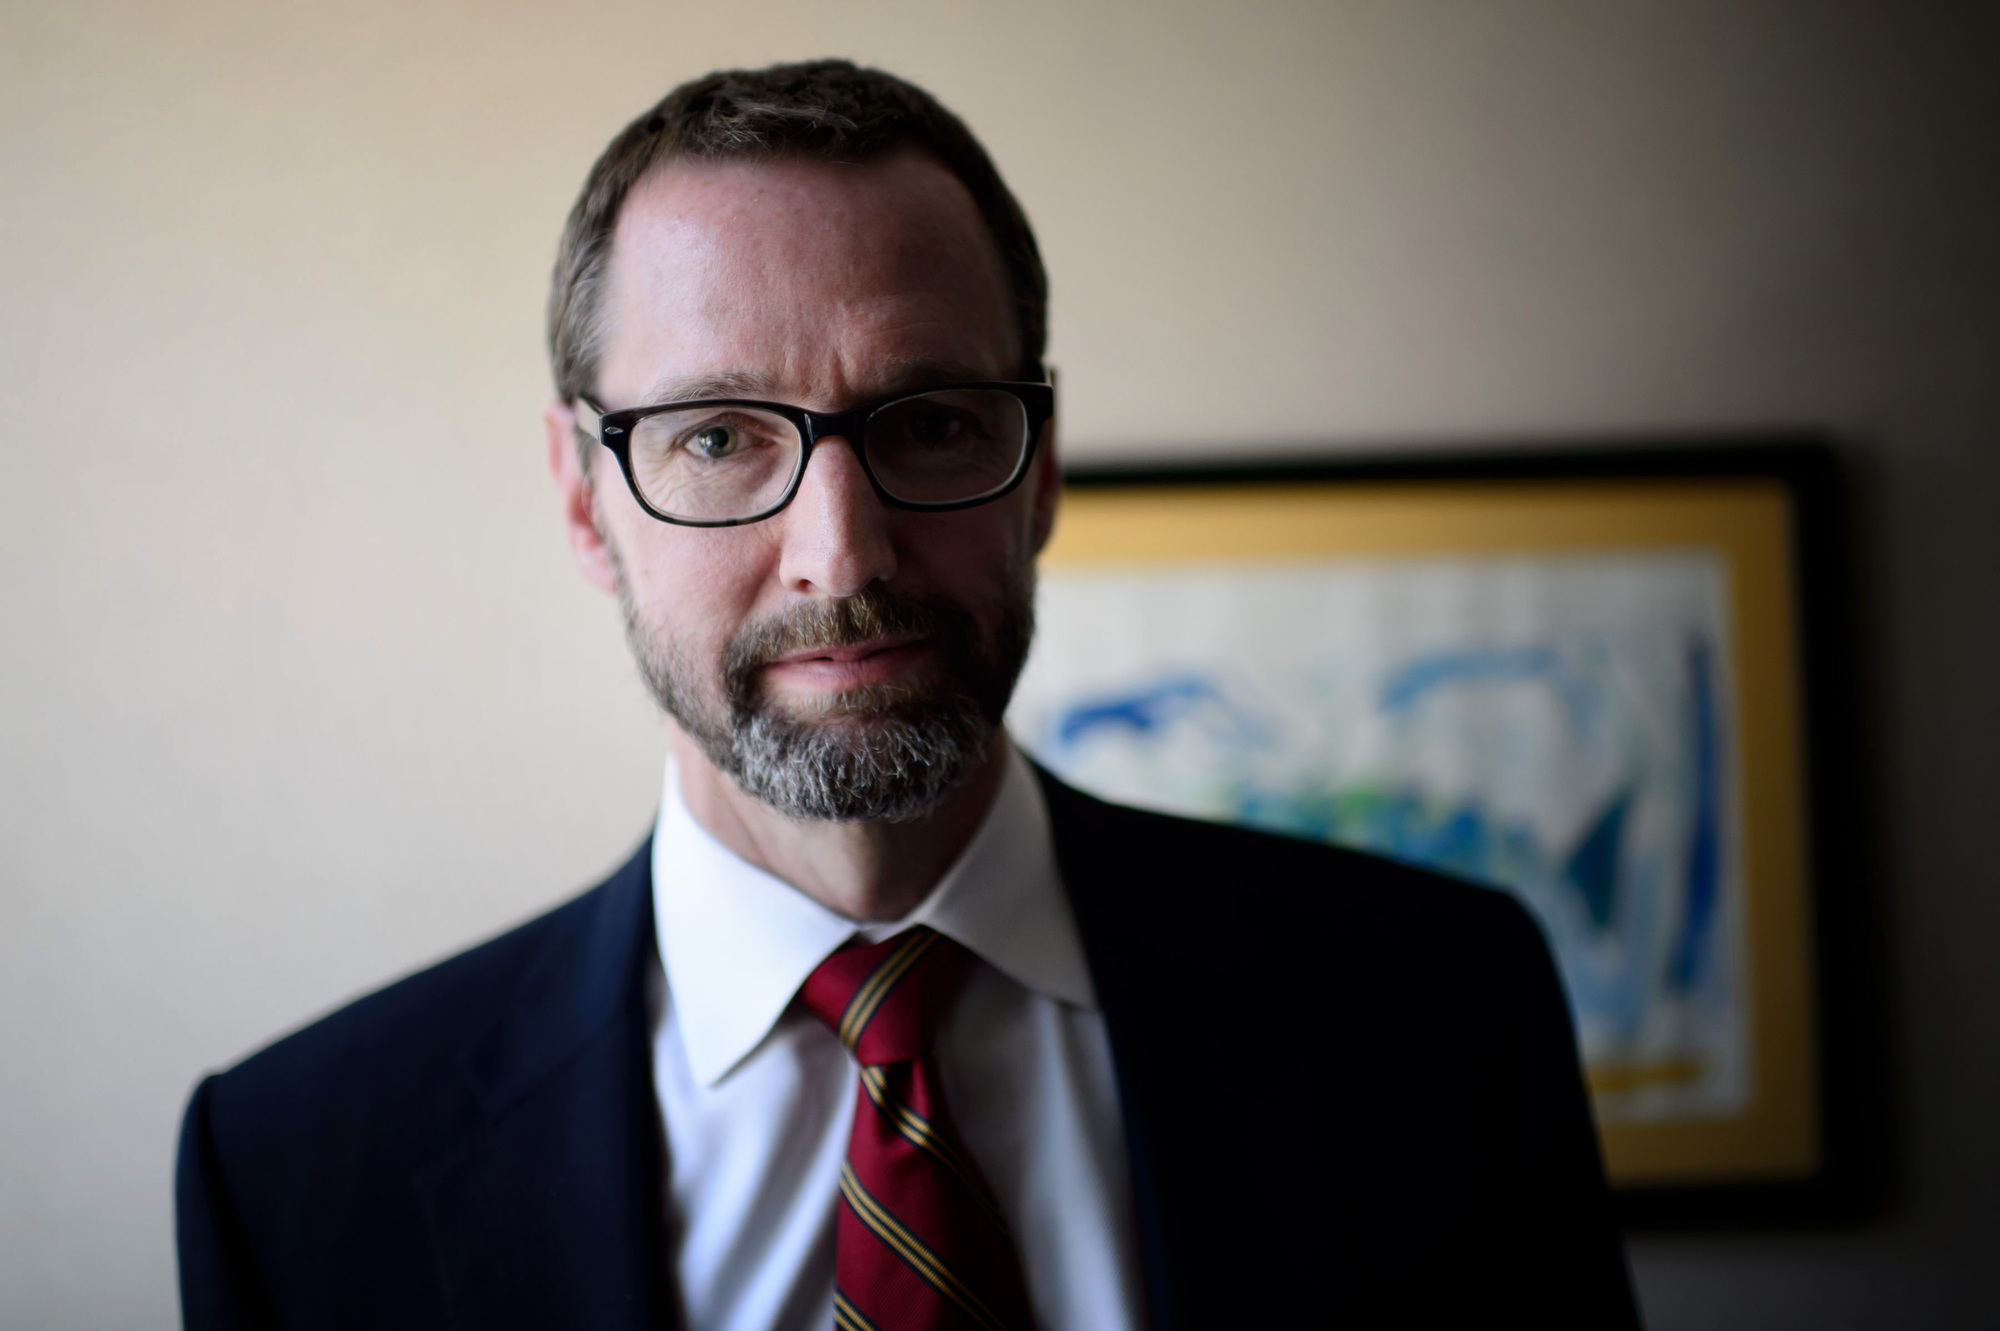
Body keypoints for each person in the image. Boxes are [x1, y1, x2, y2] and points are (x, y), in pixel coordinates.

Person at [175, 60, 1638, 1330]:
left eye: (930, 422)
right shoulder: (299, 1171)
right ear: (582, 499)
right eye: (718, 438)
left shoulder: (1443, 1017)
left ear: (1041, 468)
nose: (843, 551)